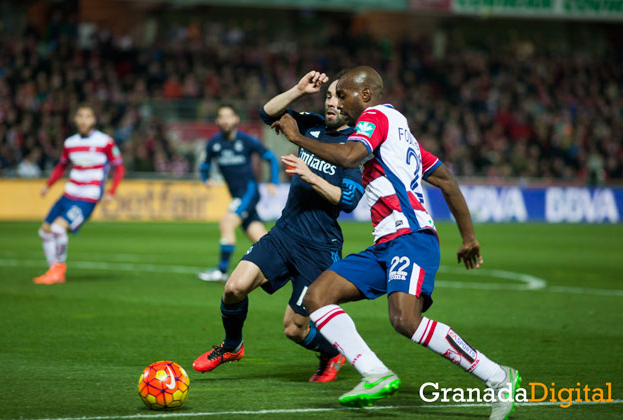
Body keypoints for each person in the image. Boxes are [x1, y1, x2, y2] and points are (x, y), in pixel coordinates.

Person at [271, 66, 519, 419]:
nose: (337, 102)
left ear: (366, 95)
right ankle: (374, 373)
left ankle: (497, 376)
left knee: (405, 320)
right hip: (385, 243)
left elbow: (351, 156)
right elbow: (446, 180)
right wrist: (468, 238)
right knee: (317, 296)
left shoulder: (376, 116)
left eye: (343, 95)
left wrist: (297, 138)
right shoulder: (403, 138)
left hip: (411, 236)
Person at [192, 71, 364, 382]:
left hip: (319, 248)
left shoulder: (353, 148)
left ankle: (331, 352)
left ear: (352, 104)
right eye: (328, 96)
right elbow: (267, 113)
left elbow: (349, 200)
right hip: (285, 233)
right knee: (233, 288)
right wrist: (299, 89)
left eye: (339, 97)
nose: (331, 103)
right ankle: (232, 346)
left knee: (294, 329)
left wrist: (310, 176)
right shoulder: (311, 125)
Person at [34, 105, 125, 285]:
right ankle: (54, 270)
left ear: (93, 120)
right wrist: (48, 185)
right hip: (69, 193)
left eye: (88, 117)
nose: (84, 120)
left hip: (88, 197)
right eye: (80, 116)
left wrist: (112, 191)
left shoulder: (105, 142)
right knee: (44, 231)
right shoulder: (70, 143)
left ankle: (58, 270)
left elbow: (119, 167)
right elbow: (61, 166)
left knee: (58, 228)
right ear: (75, 119)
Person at [197, 104, 280, 282]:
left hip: (248, 192)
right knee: (258, 235)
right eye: (222, 117)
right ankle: (286, 264)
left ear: (236, 119)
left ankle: (221, 270)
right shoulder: (214, 143)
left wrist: (273, 182)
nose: (225, 120)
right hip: (237, 195)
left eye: (229, 116)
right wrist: (206, 178)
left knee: (227, 223)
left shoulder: (246, 140)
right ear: (218, 121)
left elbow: (271, 158)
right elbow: (204, 164)